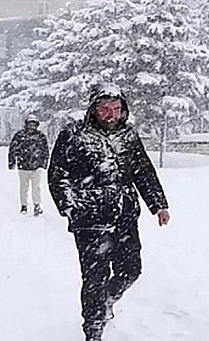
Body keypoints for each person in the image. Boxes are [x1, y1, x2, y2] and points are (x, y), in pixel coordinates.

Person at [48, 83, 170, 341]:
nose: (111, 114)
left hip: (125, 217)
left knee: (131, 270)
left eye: (115, 109)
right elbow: (58, 174)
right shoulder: (74, 135)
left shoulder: (128, 136)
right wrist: (70, 206)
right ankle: (93, 330)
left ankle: (107, 301)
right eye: (104, 109)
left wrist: (158, 204)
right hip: (90, 220)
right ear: (93, 109)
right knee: (95, 277)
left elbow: (143, 171)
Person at [7, 114, 49, 216]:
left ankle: (37, 206)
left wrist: (44, 163)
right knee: (23, 188)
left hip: (36, 166)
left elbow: (45, 151)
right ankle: (24, 206)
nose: (31, 127)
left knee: (36, 188)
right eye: (30, 124)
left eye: (33, 125)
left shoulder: (41, 137)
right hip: (23, 166)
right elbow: (12, 149)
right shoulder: (20, 136)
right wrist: (11, 162)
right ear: (26, 124)